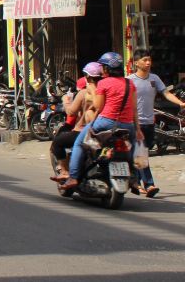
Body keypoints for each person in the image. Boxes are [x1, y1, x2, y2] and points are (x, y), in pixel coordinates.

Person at [62, 52, 138, 194]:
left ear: (107, 69)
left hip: (106, 122)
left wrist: (91, 88)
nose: (102, 69)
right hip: (128, 124)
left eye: (103, 66)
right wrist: (137, 129)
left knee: (79, 143)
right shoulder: (130, 83)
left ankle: (73, 177)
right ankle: (135, 178)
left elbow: (98, 106)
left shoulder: (103, 83)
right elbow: (134, 108)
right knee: (132, 147)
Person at [129, 51, 185, 197]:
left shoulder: (154, 78)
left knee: (142, 153)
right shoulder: (129, 81)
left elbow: (166, 93)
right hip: (135, 122)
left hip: (149, 122)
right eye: (145, 60)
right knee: (141, 154)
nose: (148, 63)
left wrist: (181, 103)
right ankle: (149, 184)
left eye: (150, 60)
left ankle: (135, 181)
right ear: (136, 63)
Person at [50, 62, 101, 182]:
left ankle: (64, 171)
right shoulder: (105, 91)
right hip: (103, 129)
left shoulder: (84, 93)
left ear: (88, 77)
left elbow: (71, 112)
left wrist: (65, 101)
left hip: (84, 130)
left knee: (57, 143)